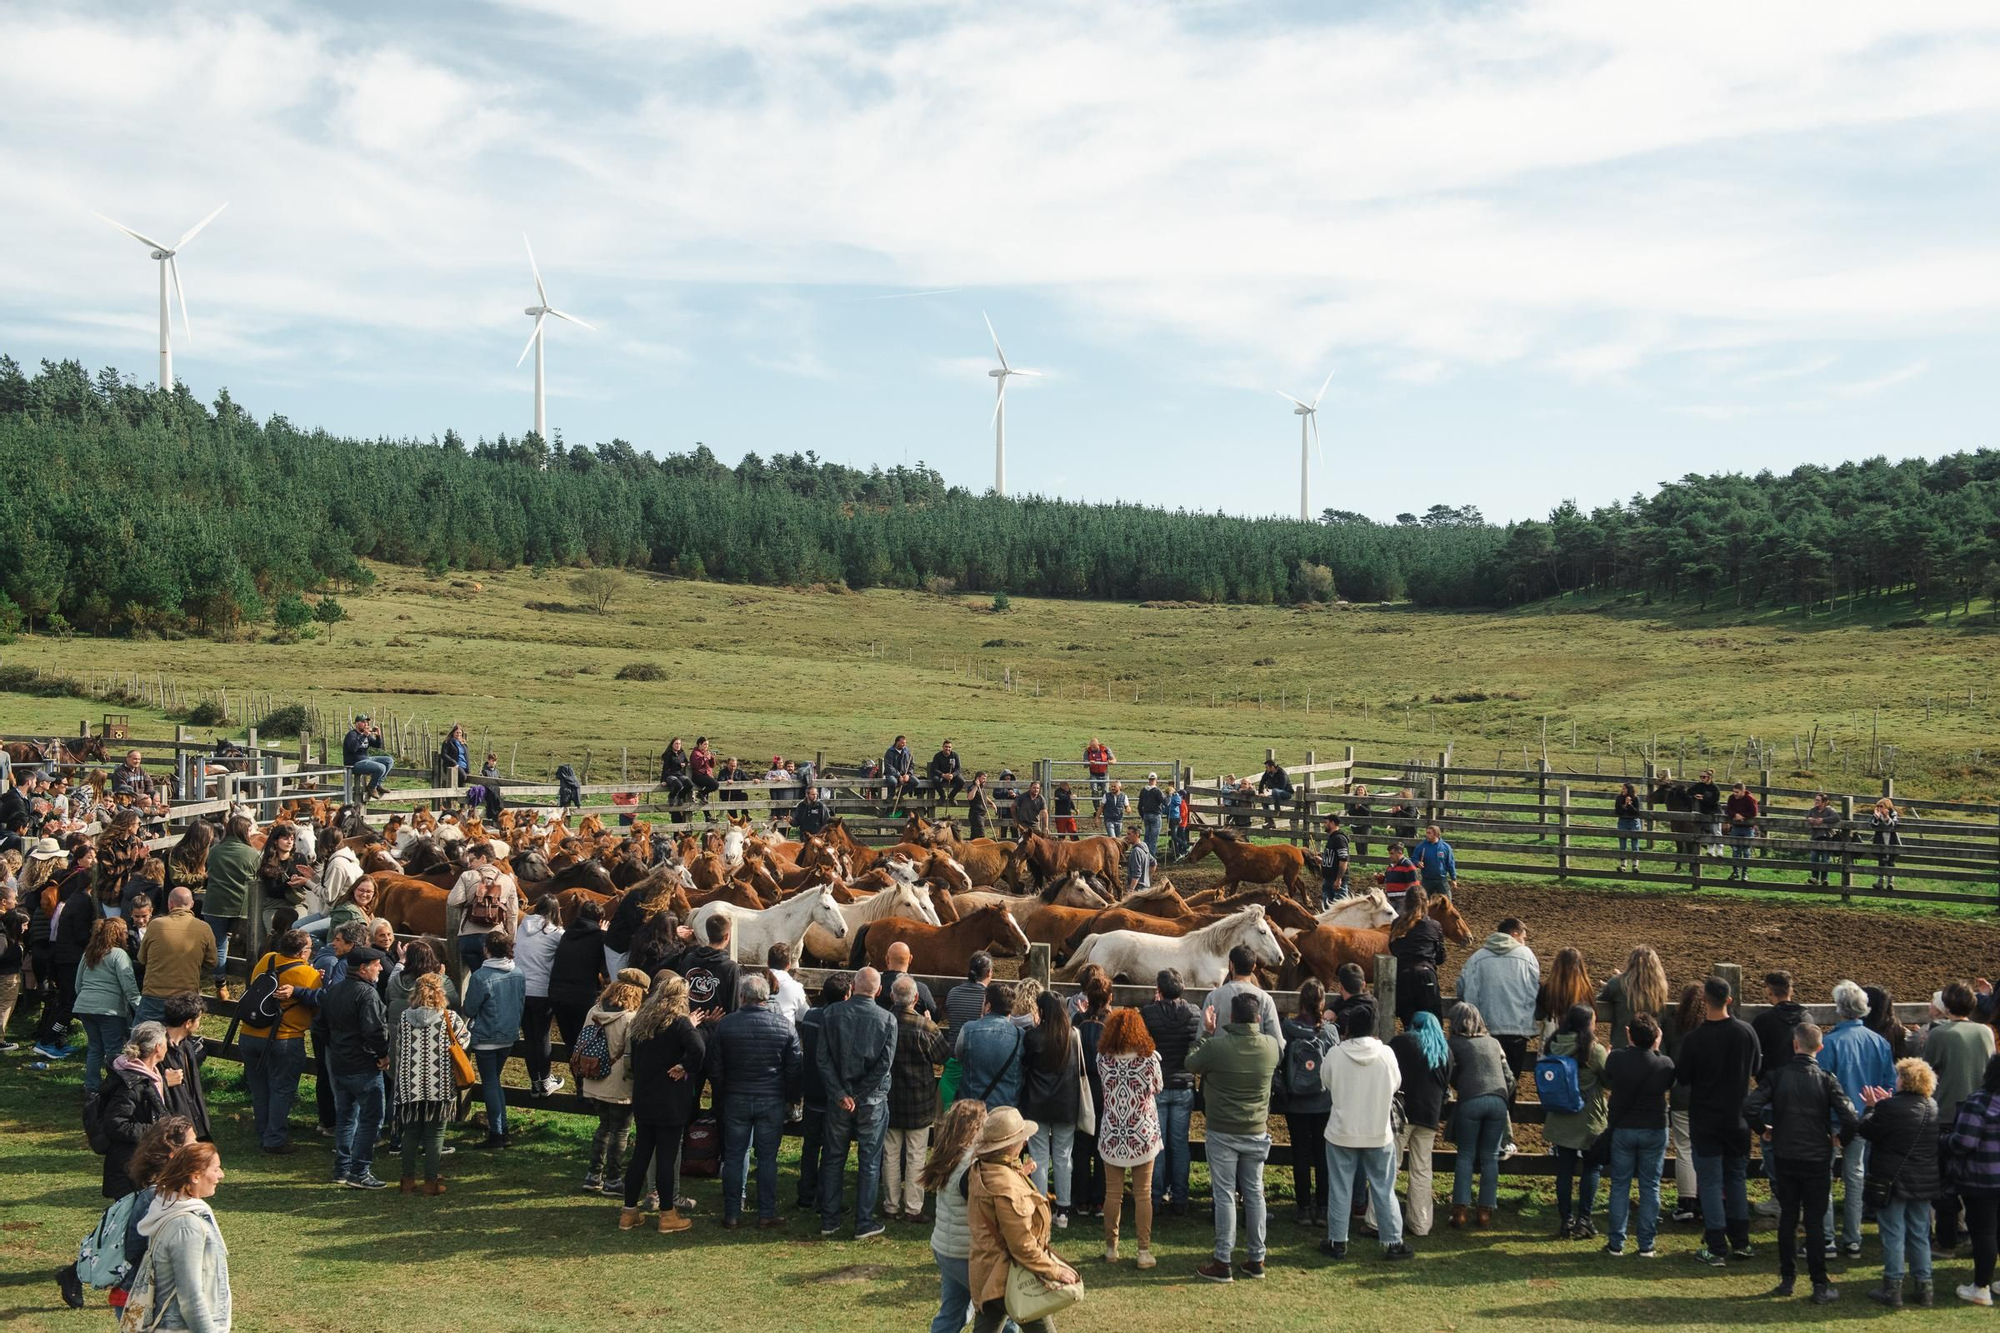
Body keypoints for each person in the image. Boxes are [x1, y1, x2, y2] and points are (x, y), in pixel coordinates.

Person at [1746, 1021, 1858, 1303]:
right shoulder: (1826, 1079)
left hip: (1785, 1155)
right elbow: (1850, 1118)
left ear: (1795, 1045)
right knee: (1815, 1222)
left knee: (1788, 1217)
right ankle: (1819, 1284)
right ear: (1819, 1048)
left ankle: (1787, 1279)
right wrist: (1840, 1139)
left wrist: (1763, 1130)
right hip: (1818, 1157)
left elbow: (1750, 1107)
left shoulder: (1777, 1076)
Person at [1186, 991, 1282, 1282]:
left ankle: (1223, 1259)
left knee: (1225, 1194)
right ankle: (1257, 1258)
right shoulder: (1271, 1047)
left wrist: (1207, 1031)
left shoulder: (1217, 1046)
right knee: (1255, 1192)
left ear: (1230, 1017)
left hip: (1222, 1129)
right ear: (1257, 1018)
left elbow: (1191, 1063)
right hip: (1256, 1129)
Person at [966, 1106, 1079, 1333]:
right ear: (1008, 1146)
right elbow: (1022, 1245)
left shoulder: (983, 1169)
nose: (1026, 1140)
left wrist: (1019, 1173)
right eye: (1021, 1136)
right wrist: (1055, 1271)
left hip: (988, 1273)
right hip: (1009, 1276)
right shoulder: (1006, 1187)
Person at [1319, 1003, 1413, 1263]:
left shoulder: (1336, 1054)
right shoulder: (1386, 1054)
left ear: (1348, 1028)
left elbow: (1325, 1081)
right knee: (1384, 1188)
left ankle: (1337, 1241)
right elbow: (1396, 1084)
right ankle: (1393, 1241)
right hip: (1377, 1131)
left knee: (1340, 1188)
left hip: (1342, 1131)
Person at [1677, 975, 1760, 1267]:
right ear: (1729, 999)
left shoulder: (1695, 1039)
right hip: (1738, 1119)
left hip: (1706, 1120)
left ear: (1704, 1001)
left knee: (1710, 1182)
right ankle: (1741, 1241)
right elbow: (1756, 1068)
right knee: (1736, 1178)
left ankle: (1715, 1244)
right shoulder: (1746, 1032)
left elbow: (1683, 1078)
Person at [714, 973, 804, 1229]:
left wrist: (721, 1095)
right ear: (767, 997)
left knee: (734, 1155)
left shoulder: (726, 1025)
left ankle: (732, 1212)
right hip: (771, 1098)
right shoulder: (785, 1026)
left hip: (736, 1097)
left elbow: (716, 1067)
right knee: (767, 1158)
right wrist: (792, 1099)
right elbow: (795, 1067)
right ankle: (766, 1212)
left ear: (742, 997)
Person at [623, 974, 708, 1233]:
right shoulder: (681, 1023)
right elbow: (699, 1049)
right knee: (667, 1157)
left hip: (644, 1096)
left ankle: (628, 1212)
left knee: (641, 1154)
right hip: (670, 1099)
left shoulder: (642, 1022)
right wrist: (685, 1066)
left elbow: (635, 1061)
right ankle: (667, 1214)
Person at [818, 966, 899, 1239]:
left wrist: (842, 1094)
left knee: (833, 1157)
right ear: (878, 990)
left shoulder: (830, 1014)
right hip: (871, 1101)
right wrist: (857, 1095)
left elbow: (823, 1058)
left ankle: (829, 1219)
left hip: (841, 1098)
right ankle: (863, 1221)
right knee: (870, 1160)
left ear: (852, 985)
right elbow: (884, 1065)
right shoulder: (887, 1019)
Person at [1856, 1057, 1941, 1308]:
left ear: (1904, 1080)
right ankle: (1924, 1287)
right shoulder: (1932, 1106)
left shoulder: (1890, 1108)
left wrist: (1872, 1108)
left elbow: (1867, 1131)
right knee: (1919, 1233)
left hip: (1892, 1179)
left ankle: (1893, 1287)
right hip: (1923, 1180)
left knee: (1893, 1233)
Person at [1819, 979, 1894, 1257]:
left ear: (1840, 1009)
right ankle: (1853, 1239)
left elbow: (1822, 1087)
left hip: (1832, 1121)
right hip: (1865, 1119)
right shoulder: (1880, 1043)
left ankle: (1827, 1238)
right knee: (1856, 1176)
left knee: (1824, 1178)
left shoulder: (1829, 1043)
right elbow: (1890, 1084)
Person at [131, 1142, 232, 1332]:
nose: (221, 1175)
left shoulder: (169, 1209)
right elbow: (191, 1298)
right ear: (195, 1176)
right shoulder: (186, 1227)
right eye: (216, 1169)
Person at [1925, 982, 1996, 1253]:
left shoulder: (1940, 1034)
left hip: (1947, 1113)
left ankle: (1946, 1239)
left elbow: (1928, 1070)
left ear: (1947, 1005)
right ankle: (1972, 1233)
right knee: (1974, 1179)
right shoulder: (1985, 1032)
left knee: (1944, 1182)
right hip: (1978, 1114)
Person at [1600, 1011, 1676, 1256]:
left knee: (1620, 1185)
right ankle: (1646, 1244)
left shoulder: (1617, 1059)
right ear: (1656, 1037)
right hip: (1654, 1127)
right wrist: (1656, 1047)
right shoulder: (1664, 1063)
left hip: (1624, 1128)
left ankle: (1616, 1243)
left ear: (1628, 1034)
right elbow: (1668, 1082)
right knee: (1650, 1186)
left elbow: (1608, 1079)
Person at [237, 929, 318, 1156]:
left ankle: (263, 1133)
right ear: (303, 952)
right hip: (284, 1038)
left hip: (250, 1033)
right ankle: (274, 1139)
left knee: (260, 1089)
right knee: (281, 1089)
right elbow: (318, 1004)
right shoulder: (308, 974)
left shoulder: (267, 959)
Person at [1095, 1006, 1162, 1266]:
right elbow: (1158, 1087)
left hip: (1113, 1131)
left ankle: (1112, 1248)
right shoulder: (1149, 1059)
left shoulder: (1103, 1059)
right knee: (1143, 1193)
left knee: (1113, 1194)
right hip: (1142, 1131)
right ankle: (1143, 1251)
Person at [392, 969, 468, 1196]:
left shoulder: (406, 1017)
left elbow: (398, 1047)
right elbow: (463, 1042)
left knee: (411, 1132)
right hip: (439, 1083)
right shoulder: (450, 1018)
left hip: (409, 1083)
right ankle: (430, 1182)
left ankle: (407, 1180)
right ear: (440, 993)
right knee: (435, 1134)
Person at [323, 943, 391, 1188]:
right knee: (372, 1119)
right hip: (363, 1065)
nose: (381, 968)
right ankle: (360, 1171)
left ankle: (342, 1169)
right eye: (376, 965)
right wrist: (383, 1054)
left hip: (340, 1063)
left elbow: (320, 1025)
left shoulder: (335, 990)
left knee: (346, 1117)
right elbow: (374, 1030)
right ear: (363, 969)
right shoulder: (367, 994)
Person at [922, 1099, 991, 1333]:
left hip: (946, 1249)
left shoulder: (948, 1154)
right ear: (976, 1127)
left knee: (953, 1311)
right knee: (1001, 1309)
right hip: (964, 1253)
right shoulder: (972, 1165)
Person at [885, 975, 951, 1222]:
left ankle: (890, 1205)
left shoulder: (884, 1021)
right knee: (915, 1155)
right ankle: (913, 1207)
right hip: (919, 1100)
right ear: (915, 998)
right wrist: (930, 1024)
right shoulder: (926, 1027)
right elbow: (943, 1056)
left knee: (890, 1154)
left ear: (892, 996)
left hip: (890, 1098)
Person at [1455, 916, 1538, 1112]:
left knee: (1485, 1082)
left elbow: (1461, 988)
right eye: (1524, 937)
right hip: (1517, 1029)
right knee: (1511, 1082)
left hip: (1485, 1032)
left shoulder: (1477, 957)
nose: (1524, 941)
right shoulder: (1527, 956)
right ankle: (1505, 1132)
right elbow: (1534, 987)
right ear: (1515, 934)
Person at [1381, 1010, 1451, 1239]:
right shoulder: (1444, 1050)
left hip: (1402, 1114)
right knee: (1422, 1170)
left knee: (1390, 1166)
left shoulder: (1402, 1042)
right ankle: (1420, 1223)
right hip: (1430, 1116)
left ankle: (1378, 1221)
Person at [1544, 1003, 1608, 1240]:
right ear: (1587, 1024)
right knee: (1592, 1167)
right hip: (1588, 1118)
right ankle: (1584, 1219)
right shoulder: (1594, 1050)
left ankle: (1565, 1221)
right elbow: (1609, 1081)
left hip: (1560, 1115)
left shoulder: (1554, 1044)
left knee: (1564, 1170)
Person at [1445, 1002, 1511, 1226]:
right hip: (1498, 1100)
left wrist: (1460, 1085)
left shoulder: (1453, 1044)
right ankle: (1485, 1212)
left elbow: (1450, 1075)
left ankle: (1460, 1211)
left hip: (1471, 1100)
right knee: (1490, 1157)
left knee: (1465, 1155)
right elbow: (1509, 1078)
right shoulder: (1494, 1043)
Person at [1141, 969, 1200, 1215]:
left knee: (1158, 1145)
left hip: (1158, 1086)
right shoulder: (1194, 1013)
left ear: (1159, 990)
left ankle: (1154, 1197)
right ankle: (1180, 1198)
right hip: (1184, 1085)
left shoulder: (1148, 1014)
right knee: (1180, 1145)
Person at [1944, 1053, 2000, 1306]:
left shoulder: (1979, 1102)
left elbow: (1963, 1142)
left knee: (1984, 1232)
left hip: (1982, 1178)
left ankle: (1981, 1286)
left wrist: (1943, 1141)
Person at [1023, 991, 1083, 1226]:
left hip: (1037, 1104)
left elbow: (1025, 1064)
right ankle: (1064, 1210)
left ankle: (1040, 1208)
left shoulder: (1033, 1037)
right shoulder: (1073, 1036)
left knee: (1037, 1156)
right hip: (1066, 1104)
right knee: (1063, 1156)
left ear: (1042, 1011)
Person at [464, 931, 526, 1149]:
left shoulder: (481, 977)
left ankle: (496, 1133)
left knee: (490, 1082)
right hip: (508, 1035)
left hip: (486, 1036)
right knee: (495, 1081)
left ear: (486, 950)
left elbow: (469, 1008)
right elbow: (521, 1004)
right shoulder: (517, 973)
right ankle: (503, 1128)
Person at [1280, 980, 1334, 1226]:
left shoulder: (1288, 1028)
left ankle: (1302, 1208)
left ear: (1301, 1001)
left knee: (1300, 1154)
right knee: (1322, 1155)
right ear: (1322, 1003)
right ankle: (1323, 1208)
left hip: (1296, 1103)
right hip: (1323, 1102)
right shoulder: (1329, 1031)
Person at [796, 973, 851, 1210]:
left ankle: (806, 1194)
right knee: (833, 1148)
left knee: (810, 1145)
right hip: (834, 1093)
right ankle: (827, 1197)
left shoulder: (811, 1017)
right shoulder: (845, 1021)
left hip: (811, 1089)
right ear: (847, 996)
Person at [100, 1022, 171, 1199]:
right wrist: (156, 1130)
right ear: (158, 1047)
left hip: (145, 1161)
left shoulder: (152, 1076)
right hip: (130, 1166)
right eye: (165, 1042)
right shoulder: (130, 1083)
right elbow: (116, 1124)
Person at [135, 889, 216, 1029]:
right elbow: (212, 962)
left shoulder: (155, 925)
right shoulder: (204, 928)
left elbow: (142, 958)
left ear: (170, 904)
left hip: (154, 993)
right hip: (186, 995)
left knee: (143, 1039)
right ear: (191, 904)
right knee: (180, 1041)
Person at [75, 916, 139, 1093]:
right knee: (113, 1050)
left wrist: (85, 1000)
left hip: (85, 1006)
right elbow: (129, 985)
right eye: (125, 932)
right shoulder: (119, 955)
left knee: (95, 1048)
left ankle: (92, 1087)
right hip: (109, 1009)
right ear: (118, 934)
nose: (127, 935)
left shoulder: (88, 954)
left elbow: (78, 984)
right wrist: (139, 1007)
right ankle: (114, 1087)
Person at [200, 815, 258, 993]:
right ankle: (252, 982)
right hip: (240, 906)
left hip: (214, 905)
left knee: (219, 945)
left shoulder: (215, 850)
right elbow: (258, 875)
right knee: (254, 945)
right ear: (244, 832)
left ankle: (220, 983)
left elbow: (208, 871)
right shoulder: (252, 853)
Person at [514, 897, 565, 1096]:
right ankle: (545, 1080)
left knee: (529, 1037)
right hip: (542, 991)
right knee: (542, 1036)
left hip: (521, 990)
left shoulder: (522, 928)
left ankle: (534, 1082)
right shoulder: (556, 934)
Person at [548, 899, 610, 1054]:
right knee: (585, 1040)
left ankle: (575, 1071)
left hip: (557, 993)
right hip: (581, 996)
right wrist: (603, 934)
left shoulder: (567, 933)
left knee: (569, 1041)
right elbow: (606, 970)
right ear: (600, 920)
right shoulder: (599, 937)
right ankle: (582, 1075)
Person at [445, 842, 518, 973]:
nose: (470, 865)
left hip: (468, 938)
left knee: (476, 974)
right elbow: (513, 914)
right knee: (492, 975)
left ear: (483, 858)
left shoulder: (467, 876)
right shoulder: (507, 881)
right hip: (495, 938)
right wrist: (510, 940)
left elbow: (452, 901)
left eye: (472, 860)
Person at [957, 981, 1026, 1112]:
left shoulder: (967, 1029)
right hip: (1006, 1112)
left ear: (988, 1006)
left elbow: (959, 1056)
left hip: (973, 1109)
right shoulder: (1020, 1035)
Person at [1203, 944, 1283, 1046]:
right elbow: (1278, 1043)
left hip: (1221, 1058)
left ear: (1231, 965)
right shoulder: (1266, 999)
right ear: (1254, 966)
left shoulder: (1213, 997)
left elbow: (1202, 1035)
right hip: (1256, 1059)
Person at [1388, 887, 1446, 1027]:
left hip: (1403, 978)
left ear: (1405, 903)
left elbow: (1393, 949)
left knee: (1409, 1024)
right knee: (1434, 1024)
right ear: (1426, 902)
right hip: (1425, 975)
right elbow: (1441, 957)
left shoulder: (1396, 924)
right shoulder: (1434, 925)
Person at [159, 992, 211, 1143]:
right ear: (188, 1023)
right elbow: (137, 1084)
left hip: (192, 1125)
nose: (199, 1024)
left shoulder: (186, 1046)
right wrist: (162, 1081)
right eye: (199, 1019)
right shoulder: (156, 1050)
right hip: (171, 1131)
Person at [665, 913, 740, 1018]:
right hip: (717, 1028)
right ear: (727, 936)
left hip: (688, 1023)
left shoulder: (688, 959)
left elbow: (679, 995)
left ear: (707, 934)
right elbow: (733, 1007)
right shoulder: (731, 968)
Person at [1599, 944, 1669, 1054]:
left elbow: (1598, 1001)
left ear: (1631, 962)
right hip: (1654, 1051)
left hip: (1622, 1050)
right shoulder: (1661, 988)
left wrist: (1615, 982)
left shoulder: (1617, 984)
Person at [1749, 969, 1806, 1077]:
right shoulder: (1806, 1018)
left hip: (1772, 1083)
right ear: (1791, 991)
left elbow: (1752, 1055)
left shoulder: (1763, 1020)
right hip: (1801, 1080)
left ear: (1769, 991)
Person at [877, 940, 940, 1022]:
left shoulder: (876, 987)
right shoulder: (920, 989)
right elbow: (935, 1016)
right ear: (910, 959)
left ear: (887, 959)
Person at [344, 715, 392, 797]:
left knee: (389, 761)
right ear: (356, 723)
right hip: (355, 763)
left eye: (366, 722)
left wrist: (378, 736)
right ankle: (371, 787)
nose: (366, 724)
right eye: (363, 722)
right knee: (381, 767)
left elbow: (378, 746)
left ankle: (378, 785)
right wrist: (364, 736)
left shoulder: (366, 735)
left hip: (366, 759)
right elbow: (352, 748)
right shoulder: (351, 735)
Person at [1723, 782, 1759, 881]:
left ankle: (1745, 873)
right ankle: (1735, 872)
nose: (1735, 794)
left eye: (1737, 792)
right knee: (1735, 849)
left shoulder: (1750, 799)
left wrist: (1742, 815)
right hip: (1736, 827)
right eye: (1734, 792)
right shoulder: (1731, 798)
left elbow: (1754, 812)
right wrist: (1735, 815)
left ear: (1743, 791)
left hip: (1748, 828)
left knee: (1746, 851)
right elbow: (1728, 810)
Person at [1411, 825, 1457, 897]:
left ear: (1436, 834)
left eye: (1429, 833)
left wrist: (1453, 878)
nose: (1427, 835)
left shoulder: (1445, 847)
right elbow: (1413, 858)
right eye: (1426, 833)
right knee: (1423, 901)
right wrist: (1417, 863)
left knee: (1447, 901)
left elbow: (1450, 863)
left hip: (1442, 879)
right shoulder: (1421, 846)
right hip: (1427, 880)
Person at [1804, 793, 1839, 885]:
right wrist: (1809, 819)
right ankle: (1814, 878)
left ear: (1824, 802)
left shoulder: (1829, 810)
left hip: (1827, 837)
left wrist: (1823, 820)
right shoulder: (1812, 810)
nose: (1816, 802)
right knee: (1814, 857)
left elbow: (1836, 817)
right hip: (1815, 837)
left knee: (1825, 859)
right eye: (1815, 800)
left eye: (1818, 800)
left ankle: (1824, 879)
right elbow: (1807, 816)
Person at [1318, 813, 1350, 906]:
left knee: (1339, 907)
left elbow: (1343, 859)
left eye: (1325, 822)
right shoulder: (1332, 838)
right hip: (1328, 878)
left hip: (1335, 880)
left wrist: (1339, 879)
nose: (1324, 825)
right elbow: (1334, 859)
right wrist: (1322, 861)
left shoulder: (1339, 839)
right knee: (1328, 907)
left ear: (1332, 823)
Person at [1689, 768, 1723, 857]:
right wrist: (1695, 795)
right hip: (1705, 811)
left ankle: (1720, 849)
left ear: (1709, 777)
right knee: (1709, 830)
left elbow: (1715, 800)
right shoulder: (1700, 785)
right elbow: (1690, 791)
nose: (1702, 779)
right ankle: (1711, 849)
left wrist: (1703, 798)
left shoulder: (1715, 788)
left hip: (1715, 811)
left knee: (1716, 831)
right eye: (1701, 777)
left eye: (1704, 777)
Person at [1613, 782, 1644, 872]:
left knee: (1635, 843)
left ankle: (1635, 865)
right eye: (1622, 789)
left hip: (1634, 822)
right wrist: (1625, 805)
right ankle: (1623, 865)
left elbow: (1636, 813)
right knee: (1622, 844)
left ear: (1629, 790)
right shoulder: (1619, 798)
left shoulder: (1636, 799)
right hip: (1622, 822)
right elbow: (1618, 811)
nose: (1622, 790)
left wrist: (1630, 805)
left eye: (1624, 789)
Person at [1871, 797, 1901, 889]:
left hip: (1891, 840)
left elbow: (1893, 825)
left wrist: (1887, 817)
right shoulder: (1877, 814)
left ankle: (1890, 882)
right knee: (1881, 860)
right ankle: (1880, 881)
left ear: (1887, 806)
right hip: (1881, 840)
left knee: (1891, 861)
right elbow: (1872, 825)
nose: (1879, 808)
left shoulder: (1893, 813)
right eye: (1878, 806)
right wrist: (1876, 817)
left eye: (1881, 806)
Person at [882, 735, 917, 810]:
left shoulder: (907, 751)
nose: (904, 745)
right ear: (897, 742)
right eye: (902, 743)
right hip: (892, 774)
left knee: (915, 781)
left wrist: (908, 774)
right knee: (893, 781)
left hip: (905, 774)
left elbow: (912, 765)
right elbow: (888, 766)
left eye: (905, 743)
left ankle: (900, 794)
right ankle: (891, 795)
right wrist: (898, 776)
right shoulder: (889, 752)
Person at [1257, 758, 1293, 830]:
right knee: (1264, 800)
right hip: (1275, 793)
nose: (1266, 769)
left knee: (1275, 790)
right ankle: (1270, 821)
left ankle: (1277, 810)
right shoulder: (1267, 773)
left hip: (1286, 793)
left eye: (1267, 767)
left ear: (1272, 767)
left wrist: (1269, 792)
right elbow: (1262, 782)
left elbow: (1281, 787)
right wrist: (1261, 792)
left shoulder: (1282, 773)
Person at [1121, 826, 1155, 896]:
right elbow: (1154, 863)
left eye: (1129, 834)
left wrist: (1131, 890)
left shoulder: (1136, 851)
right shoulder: (1144, 846)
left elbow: (1136, 874)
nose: (1126, 836)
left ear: (1137, 835)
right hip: (1146, 888)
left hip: (1138, 890)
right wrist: (1146, 878)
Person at [928, 740, 964, 805]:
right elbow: (934, 769)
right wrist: (943, 775)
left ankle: (952, 796)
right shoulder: (937, 756)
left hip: (952, 776)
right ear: (943, 747)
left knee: (962, 781)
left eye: (949, 747)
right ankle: (942, 796)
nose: (948, 749)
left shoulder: (955, 755)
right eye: (946, 747)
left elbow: (958, 769)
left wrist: (953, 775)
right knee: (935, 780)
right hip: (941, 776)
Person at [1137, 774, 1166, 855]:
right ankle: (1152, 857)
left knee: (1147, 836)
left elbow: (1139, 806)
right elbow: (1166, 803)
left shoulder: (1143, 790)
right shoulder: (1157, 791)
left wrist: (1143, 815)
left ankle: (1145, 855)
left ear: (1148, 780)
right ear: (1156, 780)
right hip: (1155, 815)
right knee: (1153, 838)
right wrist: (1170, 795)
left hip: (1146, 814)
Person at [1083, 737, 1115, 810]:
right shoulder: (1087, 751)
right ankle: (1097, 809)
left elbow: (1114, 759)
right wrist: (1089, 763)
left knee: (1105, 791)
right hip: (1093, 774)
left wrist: (1111, 761)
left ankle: (1105, 808)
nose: (1093, 748)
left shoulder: (1105, 750)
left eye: (1094, 747)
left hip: (1104, 774)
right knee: (1094, 791)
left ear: (1098, 745)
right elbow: (1084, 764)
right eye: (1091, 747)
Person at [965, 772, 996, 841]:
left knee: (975, 835)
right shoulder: (973, 787)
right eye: (983, 778)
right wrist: (976, 786)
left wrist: (991, 803)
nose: (985, 780)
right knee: (980, 834)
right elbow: (970, 797)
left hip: (981, 814)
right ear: (978, 778)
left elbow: (984, 796)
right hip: (976, 814)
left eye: (985, 779)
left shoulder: (981, 788)